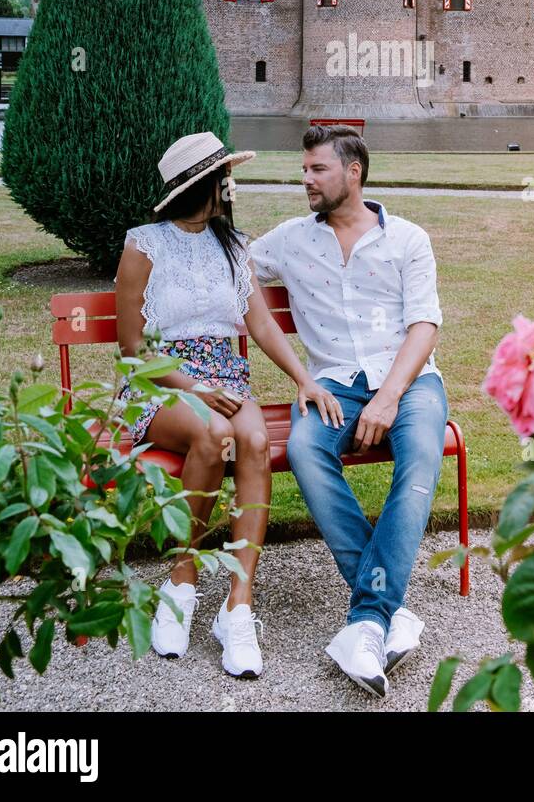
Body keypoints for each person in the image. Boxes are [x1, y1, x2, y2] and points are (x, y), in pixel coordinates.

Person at [115, 131, 343, 679]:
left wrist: (302, 378)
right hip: (159, 380)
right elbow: (131, 347)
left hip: (224, 376)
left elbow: (259, 323)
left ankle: (238, 607)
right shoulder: (143, 244)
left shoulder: (234, 246)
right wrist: (190, 388)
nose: (231, 186)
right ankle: (182, 580)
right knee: (212, 434)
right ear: (208, 185)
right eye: (224, 178)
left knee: (256, 440)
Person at [250, 124, 447, 699]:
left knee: (417, 468)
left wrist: (389, 395)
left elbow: (424, 325)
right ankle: (384, 613)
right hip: (332, 385)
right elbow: (229, 261)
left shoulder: (408, 238)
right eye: (304, 169)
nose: (304, 179)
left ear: (353, 172)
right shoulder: (288, 240)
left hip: (409, 383)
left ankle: (366, 618)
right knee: (307, 449)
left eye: (317, 169)